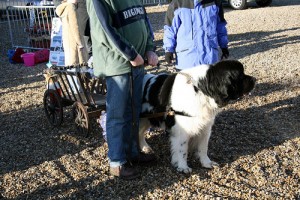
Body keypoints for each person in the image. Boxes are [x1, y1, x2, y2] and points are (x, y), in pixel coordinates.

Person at [86, 0, 159, 180]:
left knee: (134, 112)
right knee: (117, 115)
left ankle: (133, 153)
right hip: (118, 65)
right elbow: (104, 30)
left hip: (137, 63)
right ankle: (117, 162)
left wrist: (150, 48)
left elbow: (143, 21)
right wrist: (131, 54)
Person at [163, 0, 229, 70]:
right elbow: (170, 29)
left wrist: (224, 46)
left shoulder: (215, 2)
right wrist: (168, 50)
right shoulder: (177, 3)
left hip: (210, 59)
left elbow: (220, 27)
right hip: (187, 60)